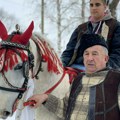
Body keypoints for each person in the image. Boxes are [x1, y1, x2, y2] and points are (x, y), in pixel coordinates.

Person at [27, 34, 120, 120]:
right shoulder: (78, 79)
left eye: (95, 54)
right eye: (86, 54)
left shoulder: (116, 80)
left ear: (106, 58)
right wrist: (45, 98)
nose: (89, 58)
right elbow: (66, 110)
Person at [61, 0, 120, 70]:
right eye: (91, 5)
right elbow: (68, 52)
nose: (94, 8)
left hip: (102, 69)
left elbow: (117, 54)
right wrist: (60, 65)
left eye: (97, 5)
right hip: (76, 68)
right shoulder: (81, 28)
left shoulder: (115, 26)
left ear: (105, 6)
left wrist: (104, 67)